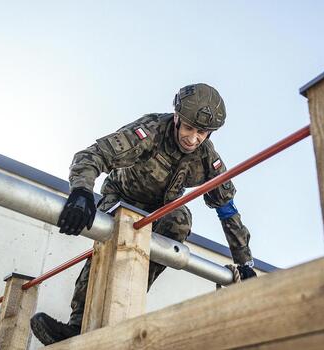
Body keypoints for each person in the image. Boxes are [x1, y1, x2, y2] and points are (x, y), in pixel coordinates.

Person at [30, 83, 257, 345]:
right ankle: (78, 323)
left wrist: (245, 263)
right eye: (188, 128)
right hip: (121, 200)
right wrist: (81, 193)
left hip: (159, 212)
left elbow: (227, 210)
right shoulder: (151, 131)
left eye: (202, 133)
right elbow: (94, 155)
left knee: (180, 219)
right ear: (176, 119)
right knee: (117, 233)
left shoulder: (207, 158)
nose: (193, 139)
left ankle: (128, 298)